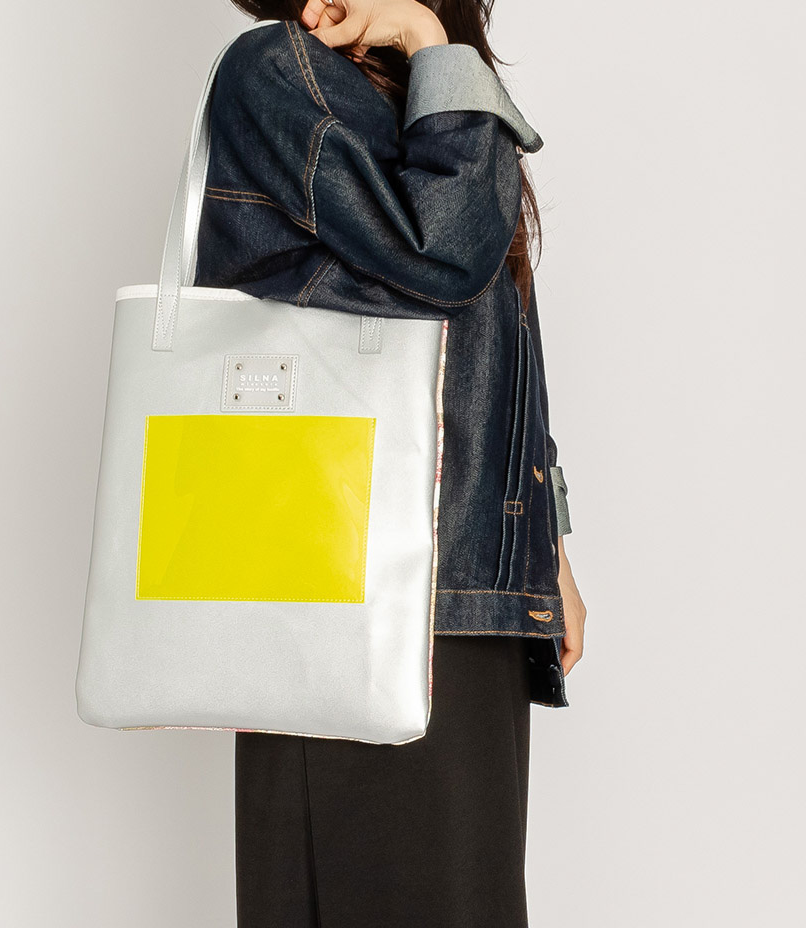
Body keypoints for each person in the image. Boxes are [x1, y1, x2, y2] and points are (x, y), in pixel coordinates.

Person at [193, 1, 588, 924]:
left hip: (464, 590)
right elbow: (441, 256)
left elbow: (496, 342)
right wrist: (432, 45)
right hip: (348, 594)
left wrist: (550, 547)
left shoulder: (421, 84)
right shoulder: (279, 68)